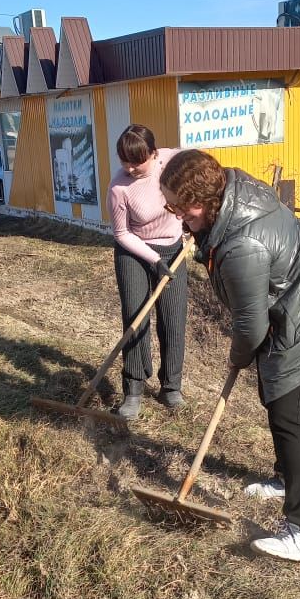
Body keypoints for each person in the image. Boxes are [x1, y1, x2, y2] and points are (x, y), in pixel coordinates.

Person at [160, 149, 300, 564]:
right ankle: (285, 479)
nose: (177, 216)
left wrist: (238, 357)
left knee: (291, 419)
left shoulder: (242, 244)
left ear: (206, 202)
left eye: (181, 208)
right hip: (293, 305)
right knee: (276, 401)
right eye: (170, 206)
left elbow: (250, 327)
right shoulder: (235, 196)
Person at [106, 125, 188, 419]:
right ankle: (134, 388)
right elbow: (121, 233)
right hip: (134, 252)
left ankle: (171, 387)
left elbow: (203, 166)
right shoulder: (119, 187)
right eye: (124, 160)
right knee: (136, 317)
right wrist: (154, 260)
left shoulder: (171, 160)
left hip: (174, 249)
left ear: (154, 154)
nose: (129, 167)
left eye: (136, 161)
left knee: (173, 317)